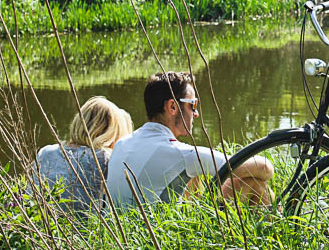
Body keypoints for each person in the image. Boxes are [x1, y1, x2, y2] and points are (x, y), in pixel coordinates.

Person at [106, 71, 273, 207]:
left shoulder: (123, 143)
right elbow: (264, 168)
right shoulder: (178, 153)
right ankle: (277, 236)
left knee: (193, 174)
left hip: (121, 235)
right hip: (153, 239)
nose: (196, 113)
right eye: (192, 105)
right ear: (172, 107)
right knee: (255, 185)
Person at [33, 96, 133, 213]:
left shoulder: (46, 152)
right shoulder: (105, 158)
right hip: (84, 229)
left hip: (40, 224)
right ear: (112, 131)